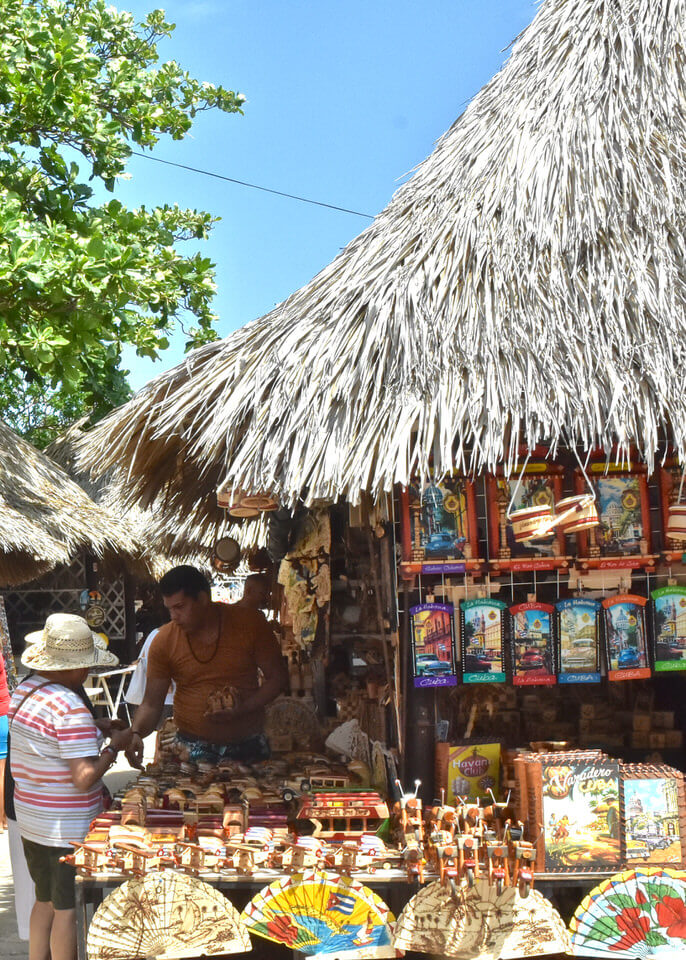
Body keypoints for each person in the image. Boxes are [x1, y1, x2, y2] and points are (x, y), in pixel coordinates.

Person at [9, 613, 129, 960]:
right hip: (65, 830)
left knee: (44, 899)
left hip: (33, 821)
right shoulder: (70, 706)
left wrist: (98, 723)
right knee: (67, 909)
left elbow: (48, 730)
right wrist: (113, 748)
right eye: (85, 667)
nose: (88, 673)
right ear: (72, 668)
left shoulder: (27, 690)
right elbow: (83, 778)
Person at [124, 565, 286, 767]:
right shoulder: (164, 640)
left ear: (202, 599)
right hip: (190, 749)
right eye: (170, 609)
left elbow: (277, 679)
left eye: (180, 607)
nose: (173, 616)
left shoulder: (250, 624)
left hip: (249, 745)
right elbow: (151, 704)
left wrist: (243, 708)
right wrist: (137, 733)